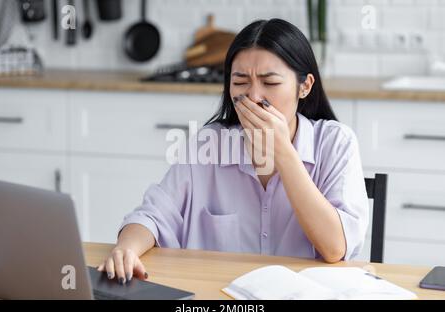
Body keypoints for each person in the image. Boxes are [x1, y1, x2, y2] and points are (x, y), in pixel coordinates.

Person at [98, 19, 369, 284]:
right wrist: (127, 249)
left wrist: (283, 153)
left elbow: (335, 248)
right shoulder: (210, 144)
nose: (253, 97)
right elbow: (153, 215)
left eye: (270, 82)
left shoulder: (336, 143)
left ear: (305, 86)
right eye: (240, 81)